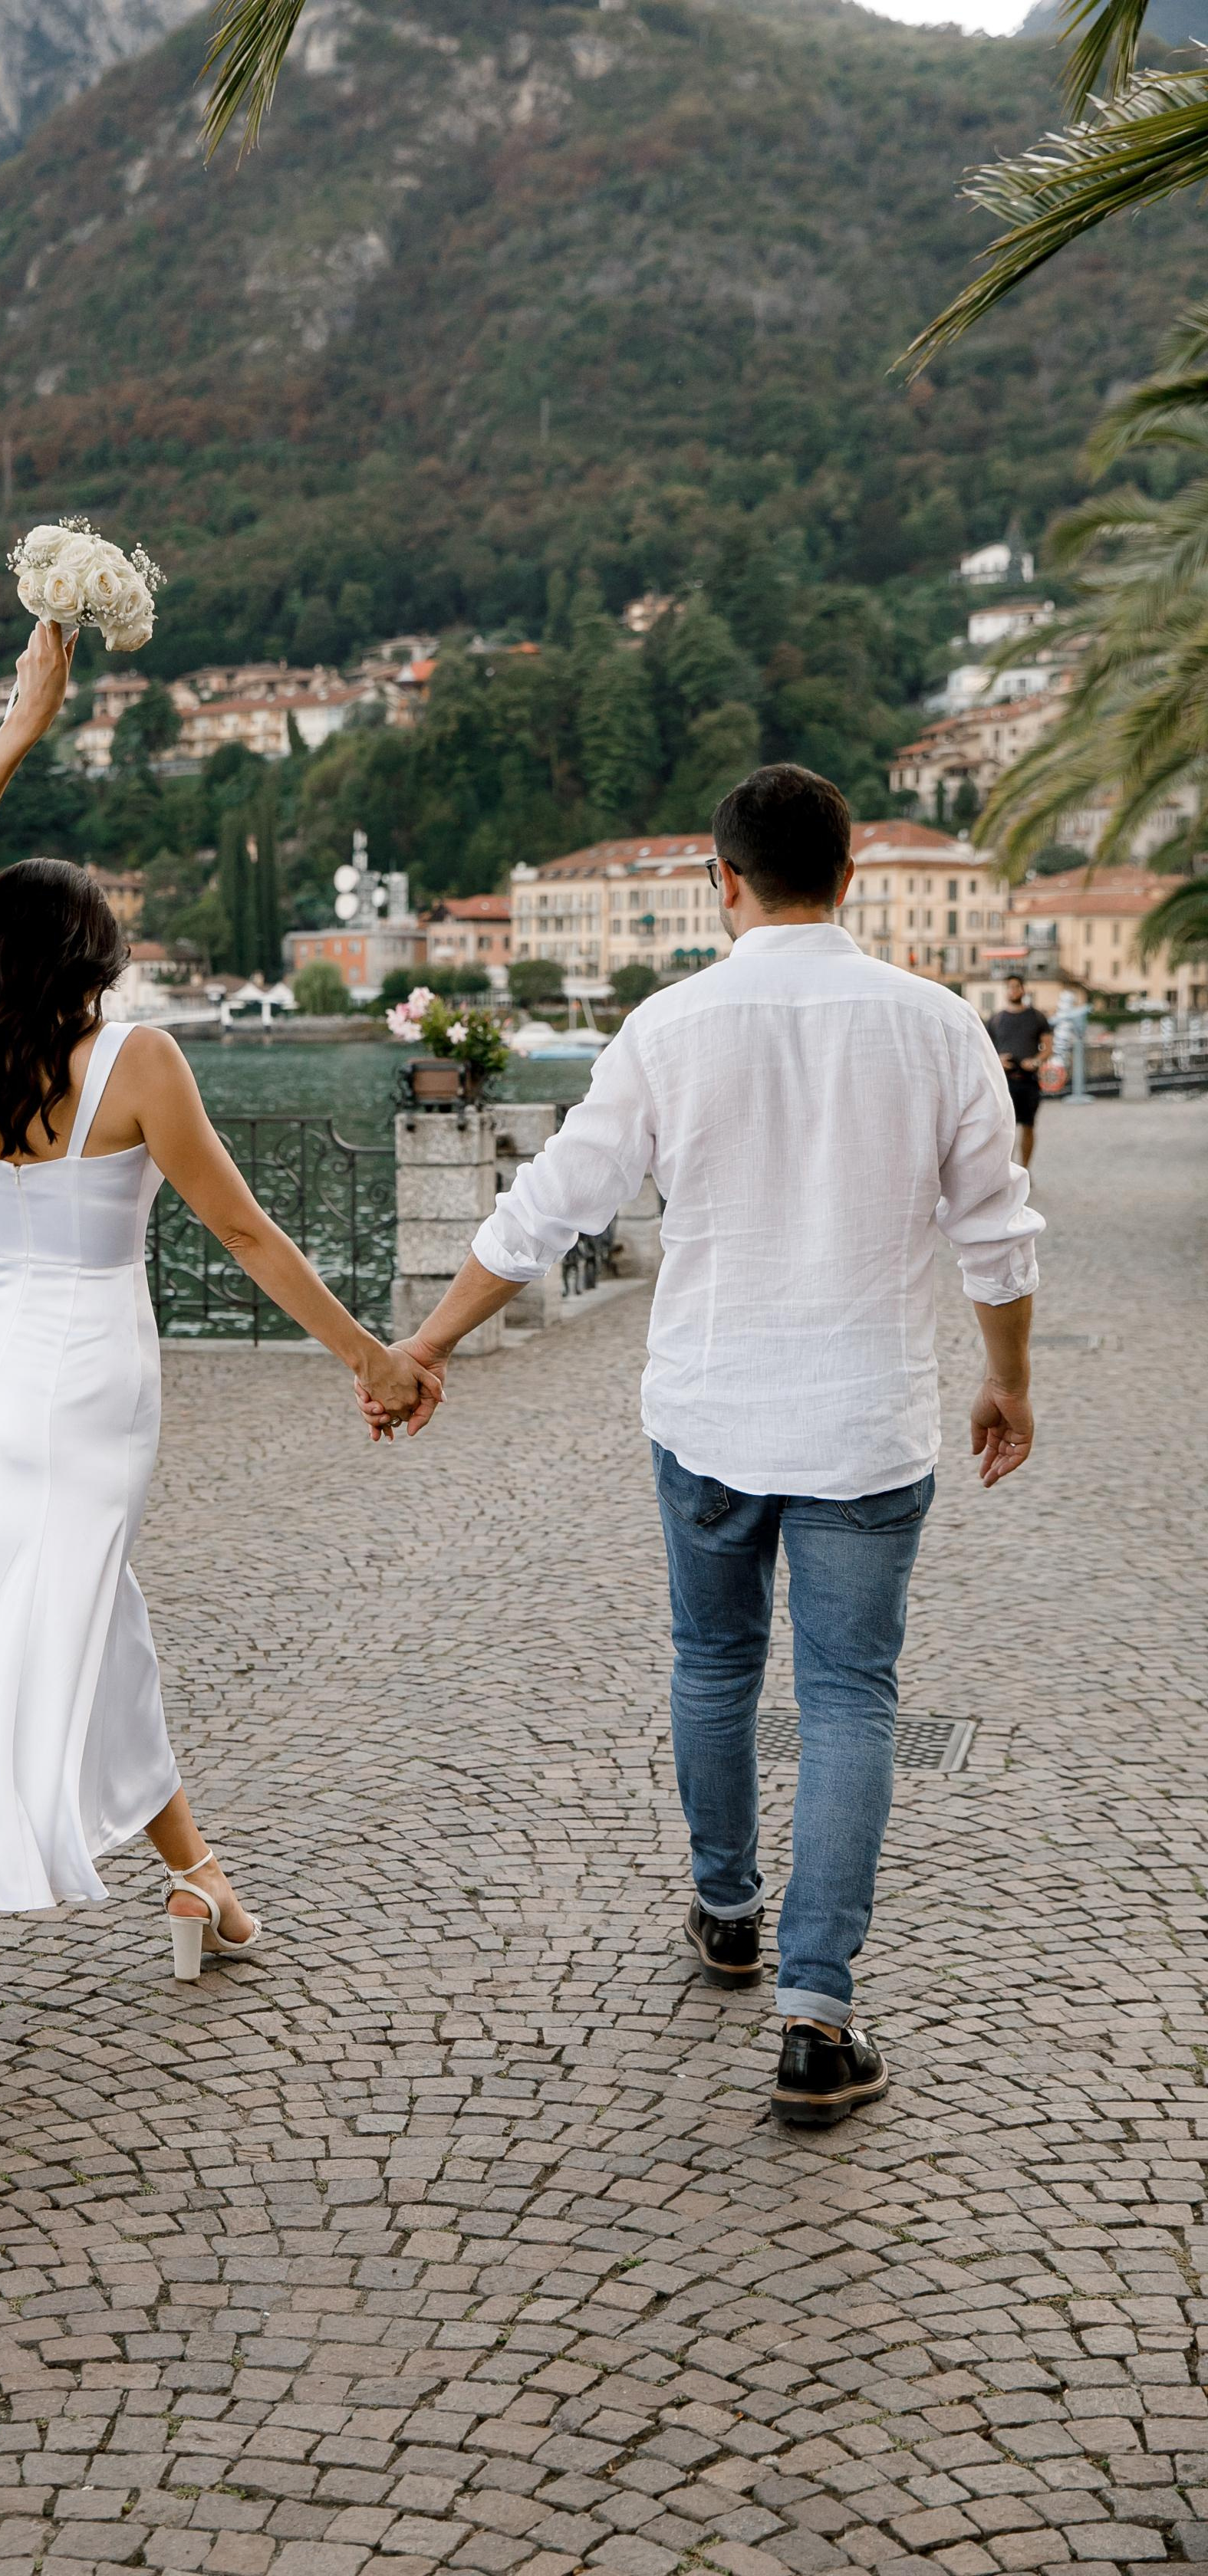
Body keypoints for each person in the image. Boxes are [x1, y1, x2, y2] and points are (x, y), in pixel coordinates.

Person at [360, 764, 1042, 2127]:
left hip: (713, 1414)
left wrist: (428, 1343)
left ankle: (727, 1910)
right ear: (849, 876)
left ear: (719, 881)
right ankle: (816, 2016)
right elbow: (998, 1232)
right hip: (866, 1421)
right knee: (851, 1699)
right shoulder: (937, 1024)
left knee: (713, 1661)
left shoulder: (669, 1026)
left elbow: (549, 1206)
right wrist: (1007, 1382)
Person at [0, 618, 440, 2109]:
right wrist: (372, 1359)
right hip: (97, 1376)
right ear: (94, 958)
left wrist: (16, 725)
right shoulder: (138, 1064)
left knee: (85, 1624)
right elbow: (246, 1236)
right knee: (37, 1656)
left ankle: (200, 1886)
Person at [986, 973, 1052, 1168]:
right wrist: (997, 1060)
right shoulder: (996, 1020)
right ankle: (1005, 1171)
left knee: (1029, 1126)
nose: (1014, 990)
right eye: (1010, 987)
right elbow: (984, 1050)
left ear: (1023, 989)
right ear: (1005, 991)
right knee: (1004, 1129)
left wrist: (1035, 1061)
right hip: (1004, 1082)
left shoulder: (1037, 1017)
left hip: (1029, 1080)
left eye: (1017, 986)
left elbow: (1048, 1048)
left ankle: (1025, 1169)